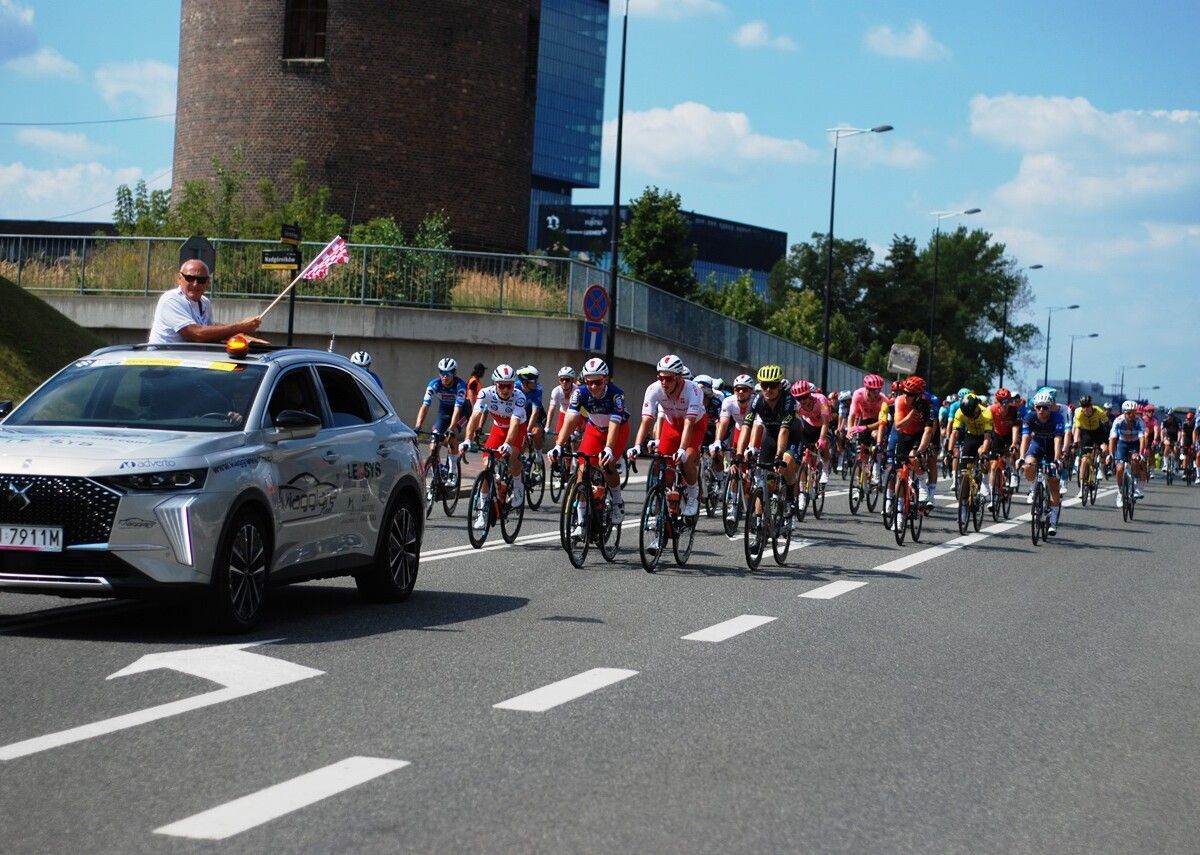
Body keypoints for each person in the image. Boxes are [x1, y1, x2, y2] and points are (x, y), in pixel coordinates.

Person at [550, 357, 629, 528]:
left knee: (607, 464)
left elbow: (615, 423)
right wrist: (558, 445)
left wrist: (608, 448)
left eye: (598, 382)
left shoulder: (617, 394)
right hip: (594, 429)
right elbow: (570, 419)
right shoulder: (579, 393)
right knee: (582, 470)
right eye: (590, 382)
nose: (593, 386)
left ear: (606, 379)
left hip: (617, 429)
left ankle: (617, 501)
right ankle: (581, 520)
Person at [629, 354, 705, 517]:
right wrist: (637, 445)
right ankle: (661, 503)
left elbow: (689, 423)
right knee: (661, 463)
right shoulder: (653, 389)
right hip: (672, 426)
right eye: (661, 378)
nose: (664, 382)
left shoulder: (693, 390)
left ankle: (693, 496)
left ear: (678, 378)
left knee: (687, 459)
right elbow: (647, 420)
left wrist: (683, 449)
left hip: (695, 426)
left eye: (669, 379)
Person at [460, 365, 528, 532]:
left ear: (513, 385)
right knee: (486, 468)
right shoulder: (486, 393)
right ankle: (482, 513)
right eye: (502, 385)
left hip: (517, 428)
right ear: (495, 384)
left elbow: (514, 423)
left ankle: (518, 486)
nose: (505, 389)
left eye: (509, 385)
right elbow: (475, 416)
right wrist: (467, 439)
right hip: (498, 428)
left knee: (513, 456)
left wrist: (508, 444)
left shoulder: (519, 396)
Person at [149, 260, 263, 344]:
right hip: (162, 364)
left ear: (207, 283)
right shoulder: (171, 300)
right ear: (179, 278)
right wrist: (241, 326)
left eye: (201, 280)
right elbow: (197, 334)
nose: (195, 284)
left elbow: (209, 329)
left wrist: (244, 336)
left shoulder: (205, 302)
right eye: (190, 278)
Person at [414, 357, 468, 485]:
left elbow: (457, 409)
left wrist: (451, 429)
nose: (445, 377)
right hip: (444, 413)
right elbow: (425, 406)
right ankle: (437, 475)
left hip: (462, 413)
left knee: (451, 435)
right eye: (442, 373)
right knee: (433, 446)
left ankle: (452, 472)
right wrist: (417, 426)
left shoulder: (460, 385)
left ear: (454, 374)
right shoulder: (434, 384)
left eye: (448, 374)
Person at [1020, 389, 1065, 534]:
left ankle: (1052, 521)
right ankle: (1033, 488)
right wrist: (1021, 457)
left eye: (1045, 407)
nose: (1041, 410)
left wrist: (1057, 460)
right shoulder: (1029, 417)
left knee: (1053, 483)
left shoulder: (1057, 418)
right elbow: (1025, 439)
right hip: (1037, 445)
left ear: (1050, 407)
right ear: (1034, 407)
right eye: (1038, 407)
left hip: (1052, 447)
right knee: (1028, 465)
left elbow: (1058, 440)